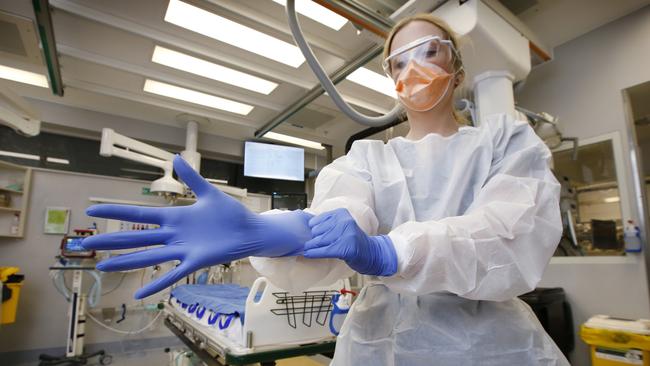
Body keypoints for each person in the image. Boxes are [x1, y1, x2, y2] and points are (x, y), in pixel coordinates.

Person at [83, 13, 569, 366]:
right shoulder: (369, 159)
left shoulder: (505, 142)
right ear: (392, 81)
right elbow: (341, 216)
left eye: (430, 51)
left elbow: (508, 235)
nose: (412, 69)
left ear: (457, 68)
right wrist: (273, 232)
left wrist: (388, 252)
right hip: (379, 348)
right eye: (398, 62)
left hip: (494, 349)